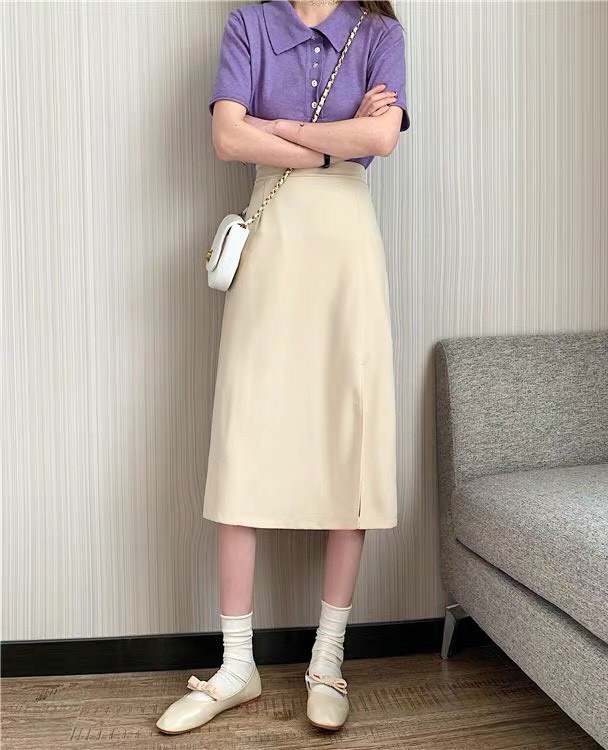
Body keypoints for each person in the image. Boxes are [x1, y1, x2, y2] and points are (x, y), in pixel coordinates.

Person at [156, 0, 410, 735]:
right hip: (272, 245)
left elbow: (381, 139)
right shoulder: (248, 25)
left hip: (346, 252)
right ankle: (237, 665)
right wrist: (333, 143)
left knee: (349, 439)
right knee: (245, 439)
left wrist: (277, 129)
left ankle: (327, 661)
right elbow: (226, 138)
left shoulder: (380, 32)